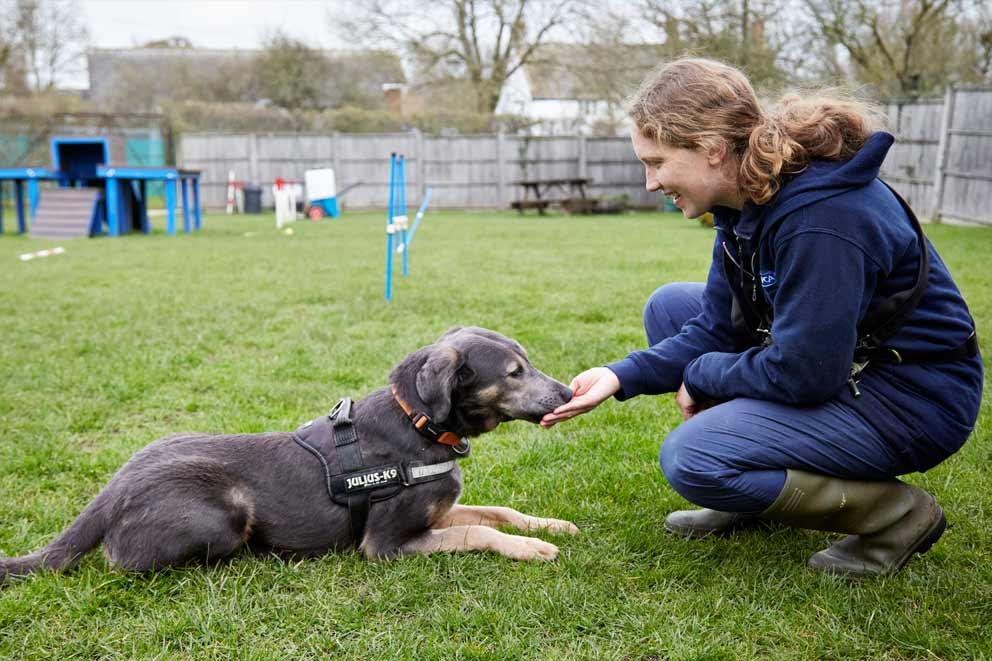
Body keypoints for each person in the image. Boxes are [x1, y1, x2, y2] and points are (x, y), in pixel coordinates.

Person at [540, 58, 982, 578]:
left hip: (911, 397)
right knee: (670, 307)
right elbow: (715, 328)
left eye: (657, 162)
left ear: (711, 149)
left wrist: (702, 374)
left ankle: (896, 516)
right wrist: (620, 377)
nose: (649, 183)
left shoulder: (822, 220)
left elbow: (806, 374)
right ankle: (752, 493)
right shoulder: (745, 202)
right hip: (850, 369)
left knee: (693, 457)